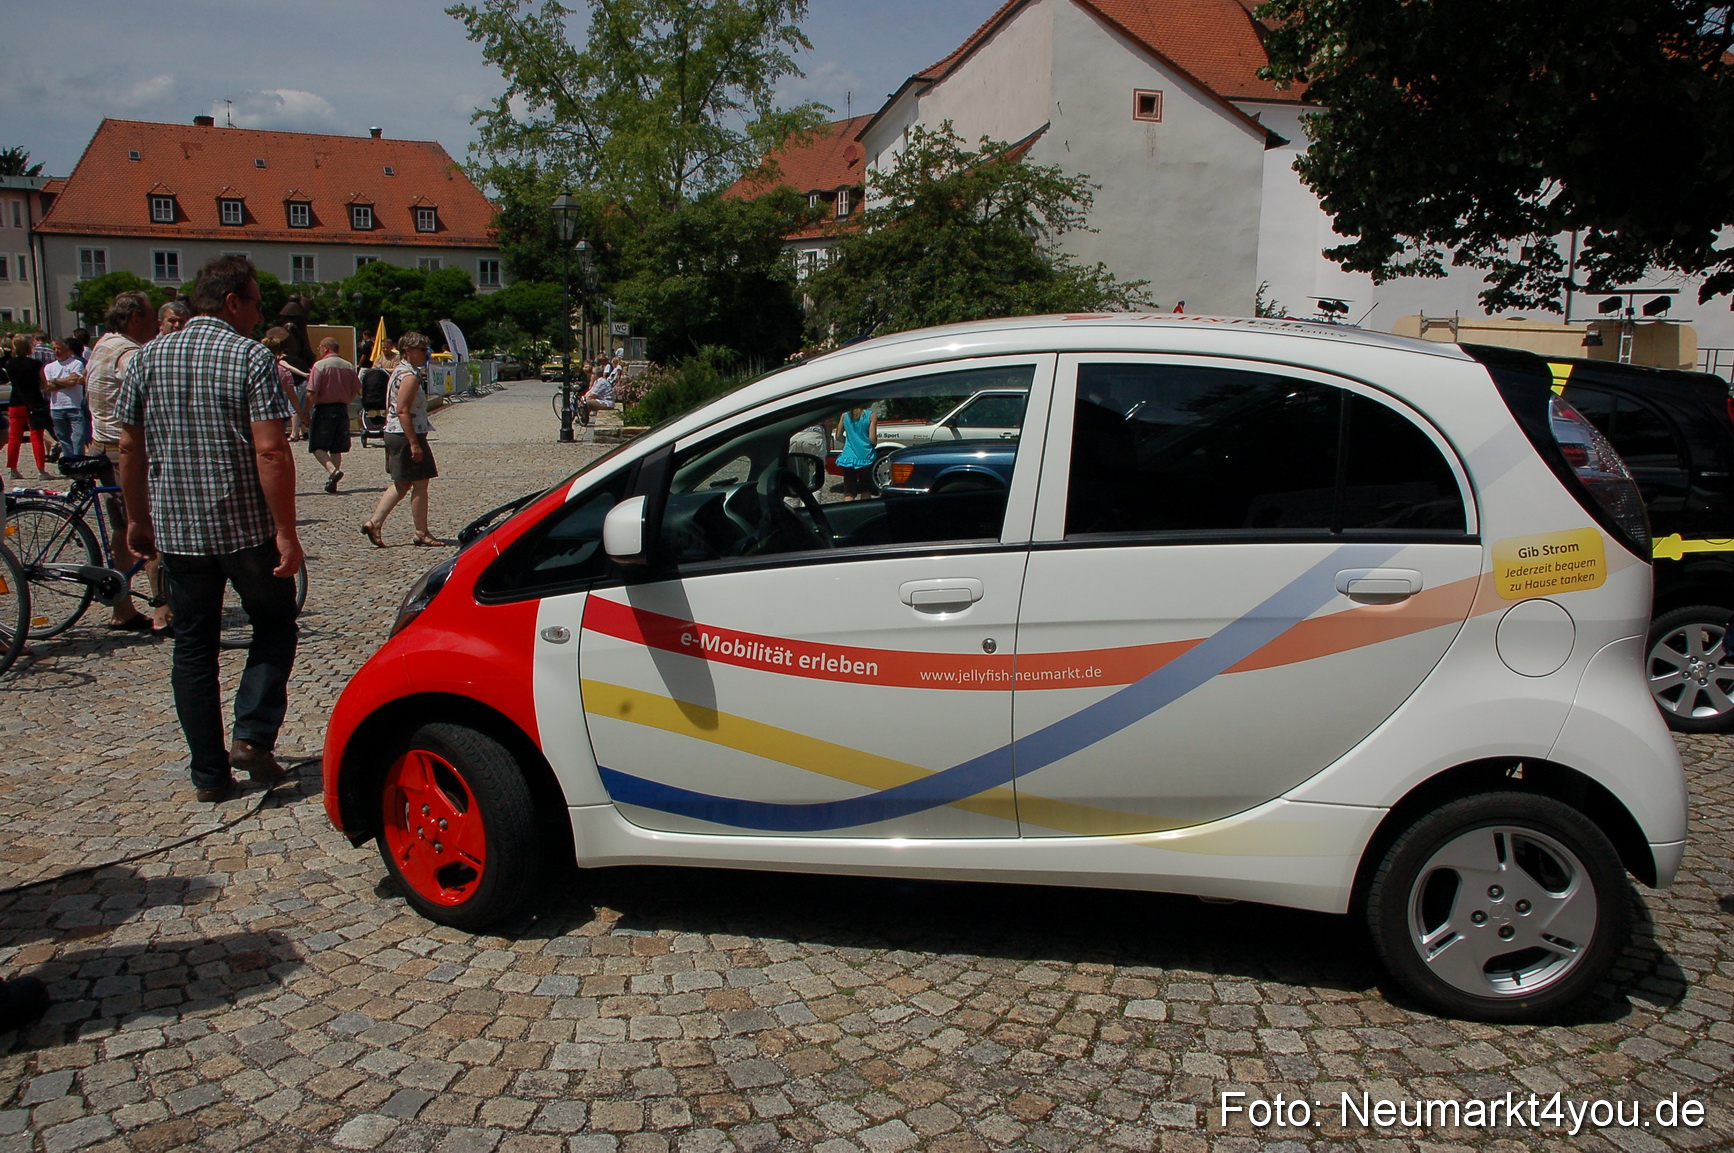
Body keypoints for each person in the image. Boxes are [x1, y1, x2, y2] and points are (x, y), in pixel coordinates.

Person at [117, 254, 301, 805]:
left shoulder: (145, 360)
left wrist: (137, 519)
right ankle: (251, 733)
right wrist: (287, 530)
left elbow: (129, 446)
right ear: (231, 303)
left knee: (193, 649)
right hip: (243, 527)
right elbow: (269, 450)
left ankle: (209, 775)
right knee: (274, 622)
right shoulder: (249, 357)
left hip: (178, 530)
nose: (257, 314)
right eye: (254, 304)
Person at [83, 290, 166, 633]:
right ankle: (164, 612)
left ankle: (123, 607)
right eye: (151, 318)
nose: (155, 325)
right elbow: (150, 396)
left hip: (100, 444)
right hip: (124, 449)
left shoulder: (102, 344)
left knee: (121, 527)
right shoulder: (129, 354)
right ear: (135, 319)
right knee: (150, 525)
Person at [361, 331, 441, 548]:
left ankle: (374, 522)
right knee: (420, 484)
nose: (426, 354)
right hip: (406, 433)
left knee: (402, 483)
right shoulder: (409, 376)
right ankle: (421, 532)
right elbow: (403, 410)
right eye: (422, 350)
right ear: (408, 351)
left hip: (395, 432)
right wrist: (414, 443)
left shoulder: (398, 371)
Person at [306, 337, 361, 492]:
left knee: (317, 445)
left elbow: (312, 392)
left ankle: (333, 471)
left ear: (325, 348)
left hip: (324, 409)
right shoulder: (348, 366)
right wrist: (347, 400)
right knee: (336, 447)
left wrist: (305, 411)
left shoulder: (320, 366)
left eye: (319, 348)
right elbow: (357, 388)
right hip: (342, 409)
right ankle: (333, 482)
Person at [4, 334, 52, 480]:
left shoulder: (9, 364)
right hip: (34, 402)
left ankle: (13, 469)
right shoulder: (35, 364)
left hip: (16, 402)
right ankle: (41, 470)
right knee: (36, 436)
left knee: (14, 436)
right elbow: (44, 384)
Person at [42, 338, 87, 461]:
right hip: (57, 407)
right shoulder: (49, 367)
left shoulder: (76, 364)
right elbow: (48, 386)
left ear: (67, 350)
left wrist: (55, 380)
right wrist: (64, 381)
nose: (56, 351)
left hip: (74, 405)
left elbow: (73, 381)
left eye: (59, 348)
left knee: (78, 436)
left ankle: (78, 460)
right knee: (63, 437)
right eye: (54, 349)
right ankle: (69, 461)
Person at [261, 335, 309, 441]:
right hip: (276, 412)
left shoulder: (253, 366)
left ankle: (295, 433)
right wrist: (302, 416)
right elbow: (292, 398)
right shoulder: (283, 371)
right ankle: (298, 432)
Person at [835, 402, 878, 501]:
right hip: (865, 456)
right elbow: (872, 439)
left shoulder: (845, 415)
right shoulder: (871, 415)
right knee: (866, 488)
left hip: (848, 456)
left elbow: (838, 436)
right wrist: (874, 443)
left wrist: (849, 441)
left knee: (849, 491)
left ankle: (849, 513)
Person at [578, 357, 614, 426]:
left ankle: (584, 418)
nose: (592, 375)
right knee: (585, 400)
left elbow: (592, 394)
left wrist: (583, 399)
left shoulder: (601, 382)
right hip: (602, 401)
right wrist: (584, 397)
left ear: (596, 375)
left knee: (587, 403)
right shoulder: (597, 381)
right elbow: (591, 391)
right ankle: (583, 417)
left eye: (593, 374)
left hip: (607, 403)